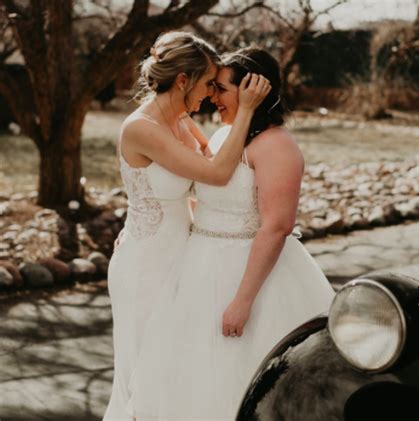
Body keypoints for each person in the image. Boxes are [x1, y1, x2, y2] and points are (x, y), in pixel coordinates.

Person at [127, 48, 335, 420]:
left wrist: (243, 301)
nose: (212, 96)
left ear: (253, 88)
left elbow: (277, 226)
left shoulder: (276, 145)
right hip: (197, 267)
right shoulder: (226, 136)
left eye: (221, 88)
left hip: (248, 277)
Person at [103, 33, 271, 420]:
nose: (212, 93)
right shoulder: (141, 128)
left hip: (180, 258)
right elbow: (216, 171)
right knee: (144, 378)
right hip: (146, 266)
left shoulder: (179, 121)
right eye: (208, 83)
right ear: (183, 80)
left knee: (173, 372)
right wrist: (245, 111)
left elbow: (207, 176)